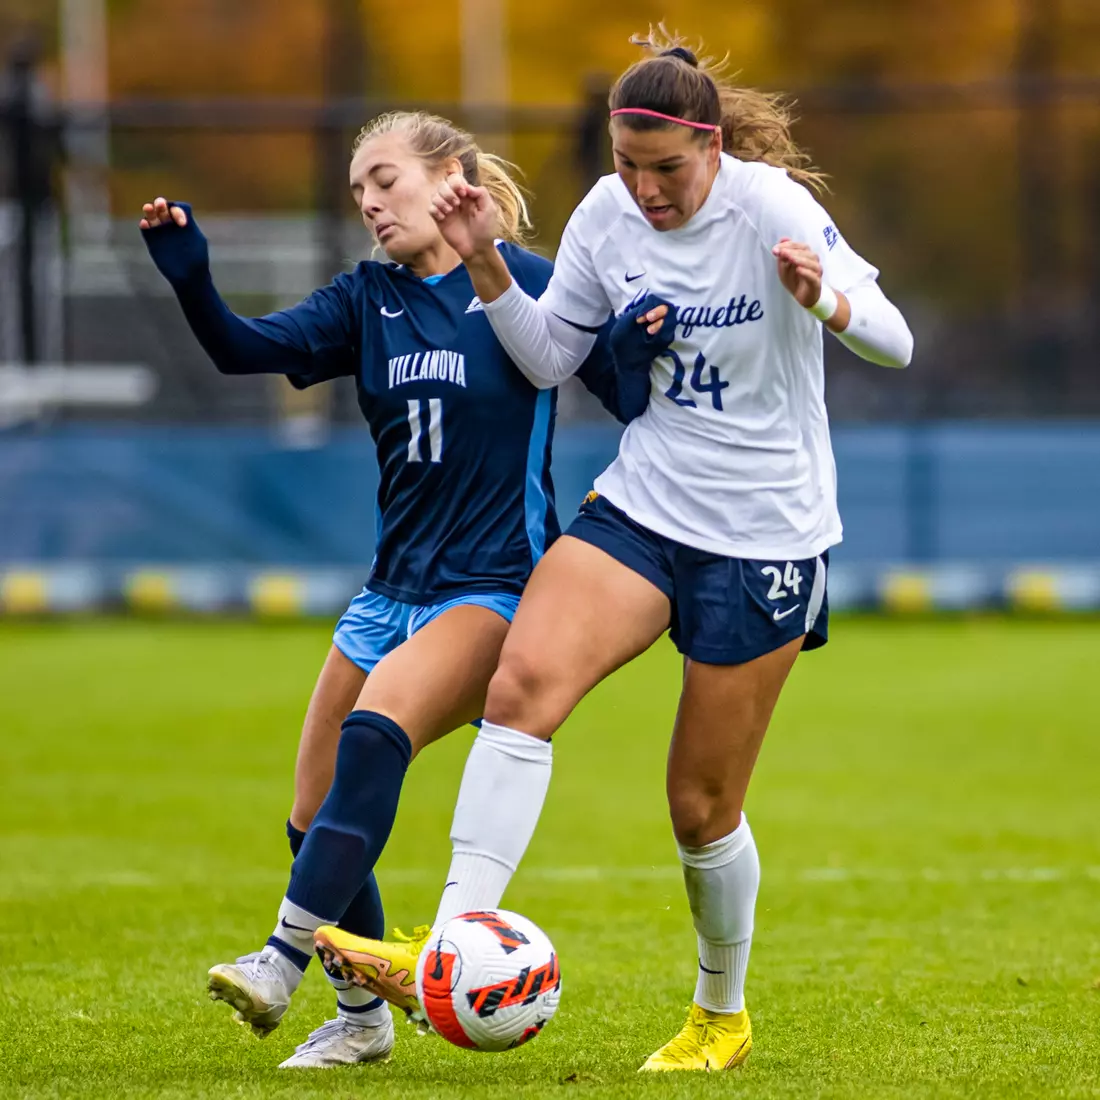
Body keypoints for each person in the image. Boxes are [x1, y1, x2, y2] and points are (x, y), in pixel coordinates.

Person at [314, 31, 913, 1073]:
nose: (644, 190)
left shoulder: (769, 206)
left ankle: (718, 1013)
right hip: (641, 505)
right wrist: (489, 257)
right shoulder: (604, 211)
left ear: (711, 148)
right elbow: (550, 354)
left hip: (763, 535)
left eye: (665, 169)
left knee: (699, 806)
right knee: (523, 682)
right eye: (627, 166)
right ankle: (453, 938)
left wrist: (829, 300)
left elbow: (894, 339)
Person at [140, 110, 649, 1069]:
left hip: (494, 588)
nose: (369, 204)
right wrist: (192, 281)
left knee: (374, 736)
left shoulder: (525, 283)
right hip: (389, 594)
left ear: (448, 177)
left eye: (384, 180)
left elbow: (624, 385)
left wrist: (648, 335)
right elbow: (239, 351)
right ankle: (364, 1021)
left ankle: (283, 958)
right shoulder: (364, 299)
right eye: (358, 191)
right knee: (310, 816)